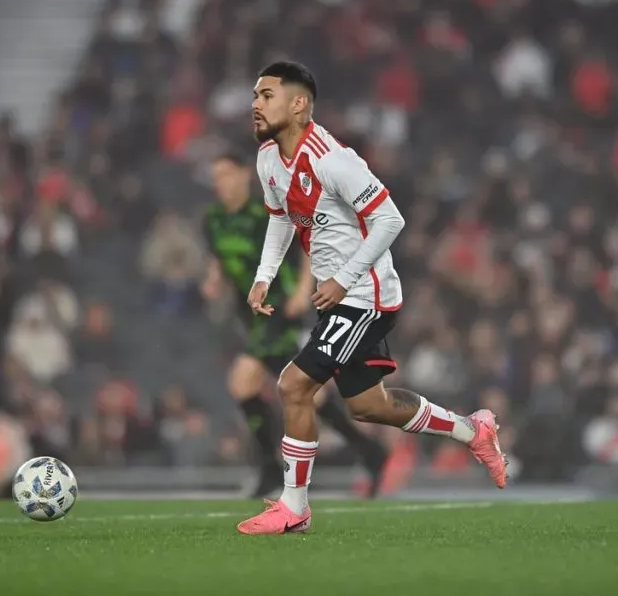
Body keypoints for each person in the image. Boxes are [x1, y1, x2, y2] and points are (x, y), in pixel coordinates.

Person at [237, 62, 507, 535]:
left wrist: (342, 279)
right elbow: (281, 217)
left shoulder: (333, 159)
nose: (255, 103)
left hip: (366, 295)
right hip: (339, 295)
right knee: (368, 406)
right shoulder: (267, 159)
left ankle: (294, 506)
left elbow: (391, 220)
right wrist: (264, 275)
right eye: (255, 95)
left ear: (298, 104)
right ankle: (473, 429)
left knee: (293, 386)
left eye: (266, 94)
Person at [203, 153, 388, 497]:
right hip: (255, 315)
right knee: (304, 392)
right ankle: (369, 450)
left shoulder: (267, 211)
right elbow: (221, 258)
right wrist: (214, 280)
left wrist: (305, 288)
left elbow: (307, 241)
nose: (221, 183)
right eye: (216, 176)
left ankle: (273, 469)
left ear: (245, 174)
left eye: (227, 173)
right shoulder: (213, 219)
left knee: (244, 381)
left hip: (282, 308)